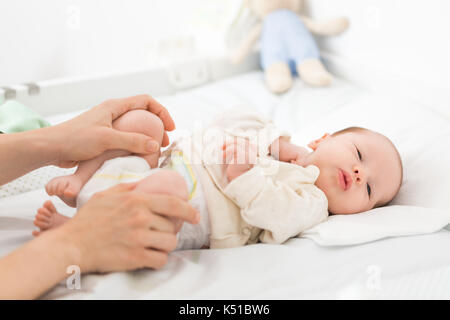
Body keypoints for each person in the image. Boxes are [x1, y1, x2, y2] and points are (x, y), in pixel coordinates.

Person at [34, 108, 403, 251]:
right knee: (143, 125)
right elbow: (226, 122)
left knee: (167, 191)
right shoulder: (274, 140)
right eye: (358, 156)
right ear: (323, 140)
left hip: (187, 208)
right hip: (162, 164)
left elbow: (276, 213)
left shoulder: (313, 204)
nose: (359, 174)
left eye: (369, 189)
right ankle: (81, 182)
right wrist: (273, 141)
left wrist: (243, 177)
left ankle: (80, 226)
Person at [0, 95, 200, 299]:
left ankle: (80, 182)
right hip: (162, 194)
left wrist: (57, 140)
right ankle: (77, 214)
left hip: (141, 172)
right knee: (169, 184)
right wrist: (76, 242)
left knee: (145, 122)